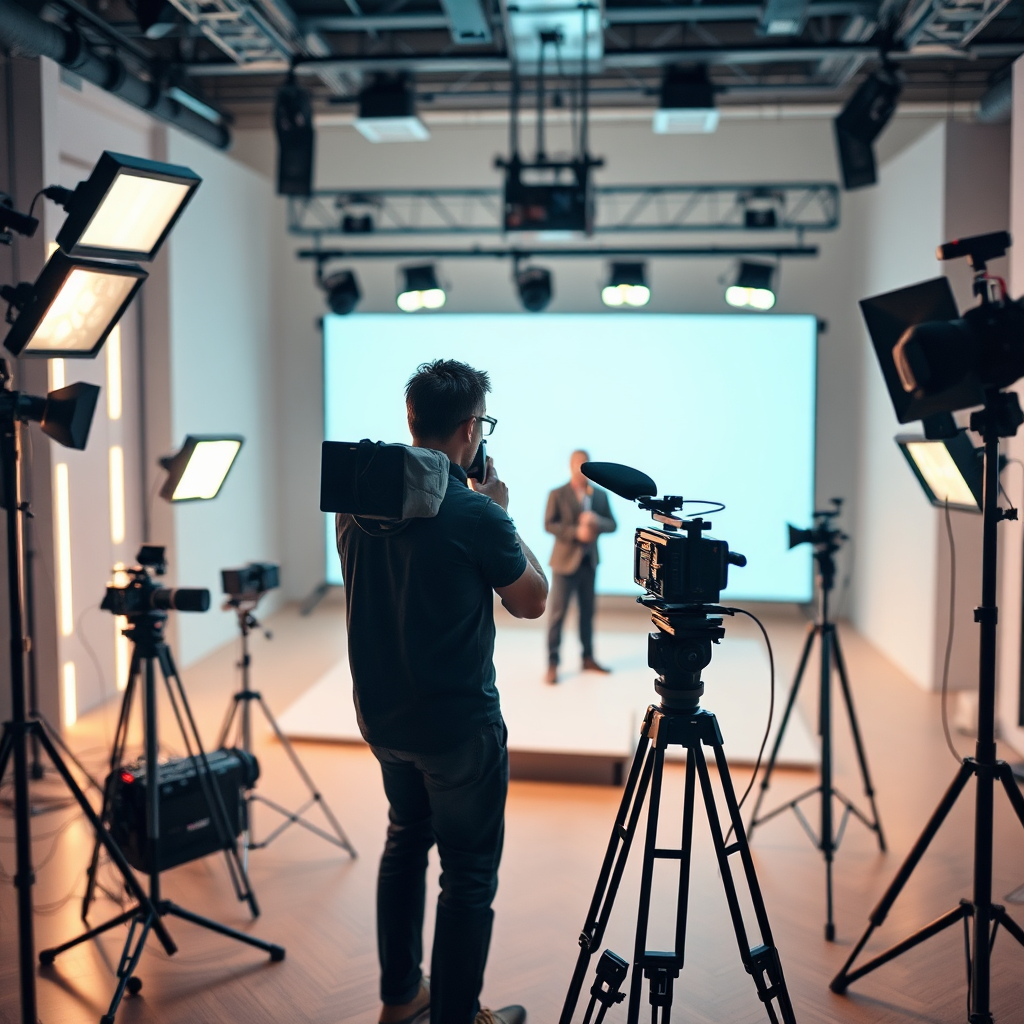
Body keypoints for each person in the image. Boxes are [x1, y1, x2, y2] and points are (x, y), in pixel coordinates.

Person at [335, 359, 548, 1024]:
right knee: (468, 877)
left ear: (411, 420)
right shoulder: (474, 514)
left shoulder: (352, 499)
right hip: (459, 730)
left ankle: (401, 1000)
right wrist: (501, 514)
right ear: (469, 429)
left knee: (405, 841)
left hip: (383, 720)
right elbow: (532, 601)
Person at [543, 449, 617, 684]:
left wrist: (597, 521)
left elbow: (613, 524)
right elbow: (549, 524)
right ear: (571, 466)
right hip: (564, 563)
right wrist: (576, 532)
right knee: (557, 614)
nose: (581, 469)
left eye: (585, 465)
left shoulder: (600, 495)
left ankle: (588, 658)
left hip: (589, 562)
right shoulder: (557, 493)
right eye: (578, 465)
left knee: (587, 614)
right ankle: (552, 663)